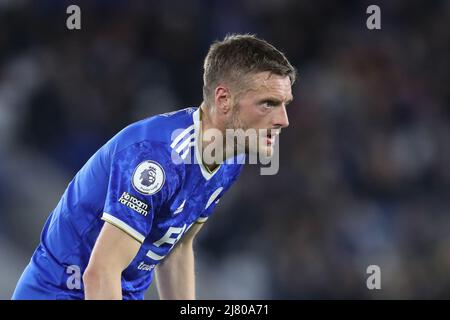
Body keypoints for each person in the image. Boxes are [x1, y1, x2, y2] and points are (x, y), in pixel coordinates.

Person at [12, 34, 296, 300]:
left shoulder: (230, 158)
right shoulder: (155, 158)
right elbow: (100, 272)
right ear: (224, 100)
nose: (283, 119)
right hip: (63, 292)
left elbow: (177, 247)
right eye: (268, 103)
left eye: (284, 104)